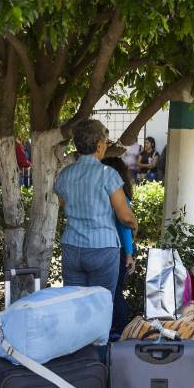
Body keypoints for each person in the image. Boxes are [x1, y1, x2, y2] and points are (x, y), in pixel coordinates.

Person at [54, 119, 137, 297]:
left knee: (75, 304)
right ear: (99, 146)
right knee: (101, 305)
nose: (106, 146)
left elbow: (63, 203)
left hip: (72, 246)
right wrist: (135, 226)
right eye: (106, 143)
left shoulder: (65, 174)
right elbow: (125, 216)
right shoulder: (108, 175)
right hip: (103, 248)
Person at [101, 156, 135, 337]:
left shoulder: (119, 197)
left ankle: (120, 331)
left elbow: (125, 227)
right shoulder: (111, 195)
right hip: (116, 249)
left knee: (115, 294)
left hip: (120, 249)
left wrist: (129, 254)